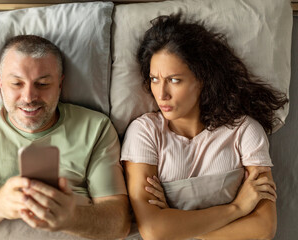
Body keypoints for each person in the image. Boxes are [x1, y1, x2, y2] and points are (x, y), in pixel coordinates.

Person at [0, 35, 130, 240]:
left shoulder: (95, 129)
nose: (29, 97)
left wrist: (70, 218)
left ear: (60, 84)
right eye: (17, 83)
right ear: (1, 83)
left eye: (43, 84)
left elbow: (119, 224)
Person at [121, 14, 288, 239]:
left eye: (174, 80)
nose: (162, 94)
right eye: (154, 79)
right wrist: (237, 208)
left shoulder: (244, 130)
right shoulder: (144, 133)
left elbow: (263, 228)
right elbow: (153, 230)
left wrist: (176, 225)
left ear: (202, 79)